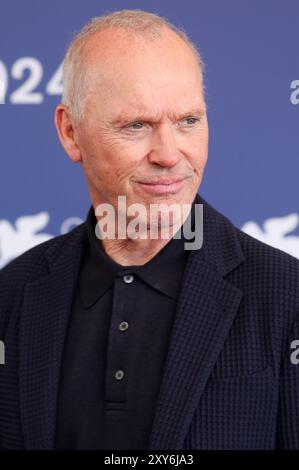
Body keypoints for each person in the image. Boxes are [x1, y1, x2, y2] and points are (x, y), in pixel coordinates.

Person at [0, 9, 299, 450]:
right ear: (70, 132)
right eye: (137, 125)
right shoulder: (13, 292)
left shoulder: (286, 295)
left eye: (188, 121)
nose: (168, 154)